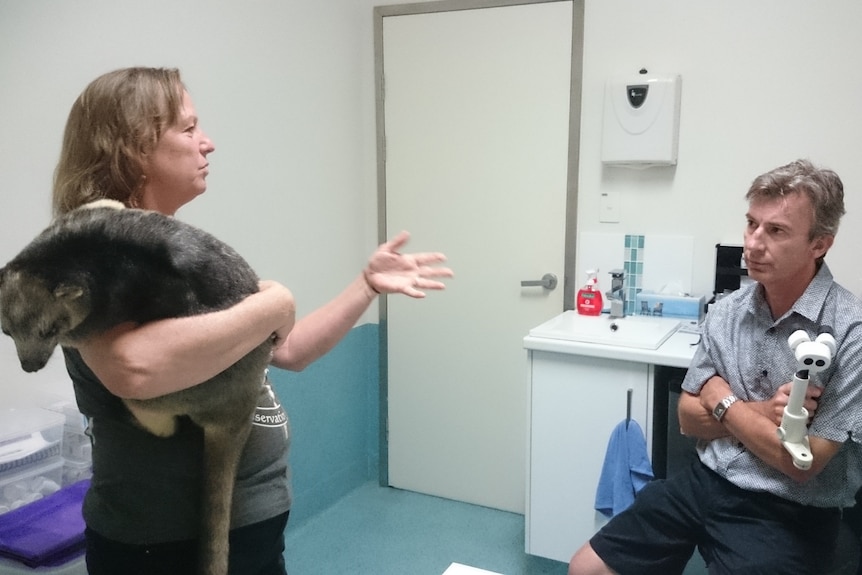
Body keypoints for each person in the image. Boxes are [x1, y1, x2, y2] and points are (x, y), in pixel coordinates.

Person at [50, 67, 453, 575]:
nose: (208, 143)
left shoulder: (171, 249)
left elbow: (288, 350)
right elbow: (131, 368)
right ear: (133, 147)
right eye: (189, 128)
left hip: (252, 527)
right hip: (164, 544)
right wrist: (274, 301)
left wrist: (365, 285)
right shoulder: (90, 247)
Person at [568, 159, 862, 575]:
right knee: (587, 569)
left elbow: (803, 463)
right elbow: (688, 419)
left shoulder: (852, 332)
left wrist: (719, 397)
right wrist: (761, 413)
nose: (754, 243)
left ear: (820, 244)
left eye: (776, 231)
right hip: (705, 479)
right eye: (751, 224)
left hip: (788, 510)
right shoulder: (727, 311)